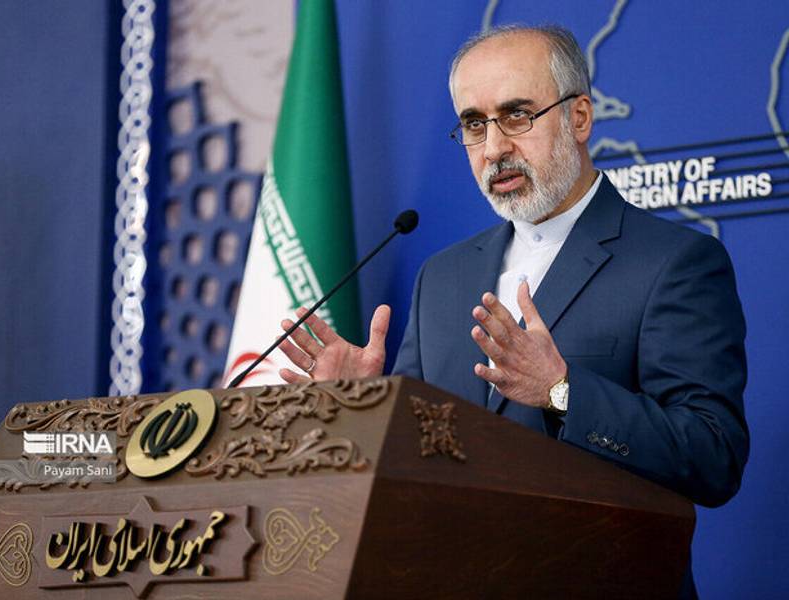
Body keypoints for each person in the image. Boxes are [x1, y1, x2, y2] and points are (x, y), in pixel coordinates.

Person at [276, 25, 748, 598]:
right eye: (475, 124)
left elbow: (713, 456)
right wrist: (365, 409)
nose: (494, 147)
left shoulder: (674, 262)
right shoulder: (442, 276)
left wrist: (562, 391)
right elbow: (416, 458)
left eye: (517, 115)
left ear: (579, 117)